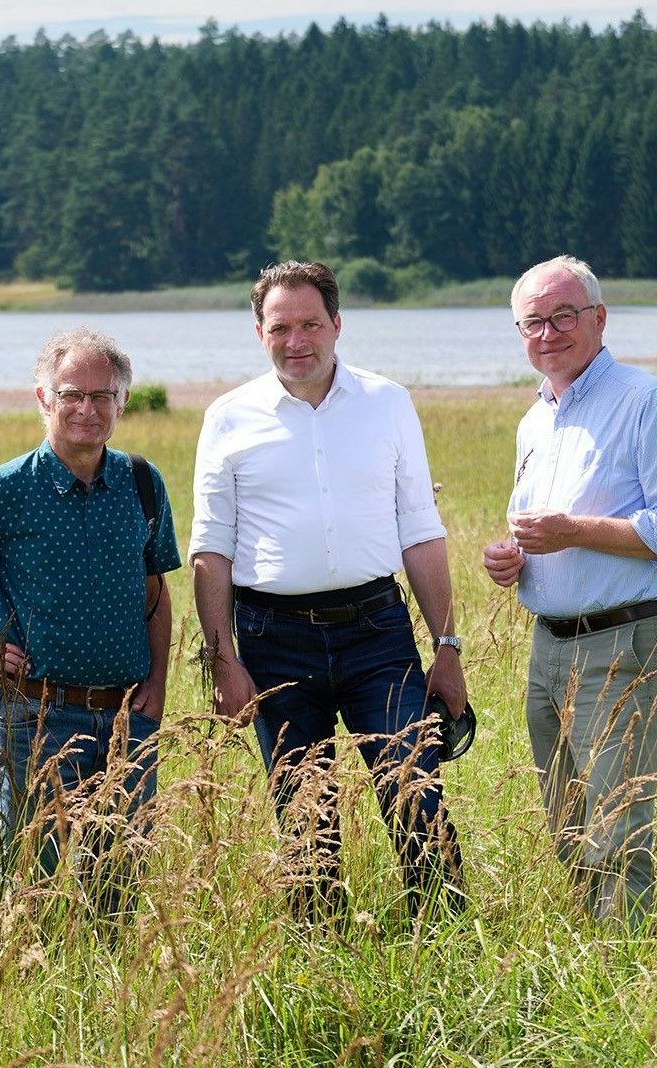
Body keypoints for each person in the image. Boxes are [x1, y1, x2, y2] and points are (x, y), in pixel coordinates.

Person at [191, 260, 467, 918]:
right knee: (304, 813)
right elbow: (211, 547)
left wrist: (447, 646)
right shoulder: (227, 417)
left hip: (376, 630)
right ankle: (320, 960)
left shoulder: (388, 402)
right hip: (272, 640)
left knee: (415, 794)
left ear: (337, 325)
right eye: (280, 327)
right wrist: (222, 661)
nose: (297, 340)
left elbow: (420, 531)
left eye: (311, 323)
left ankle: (449, 949)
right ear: (259, 333)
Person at [483, 255, 657, 927]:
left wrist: (574, 531)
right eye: (533, 322)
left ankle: (624, 972)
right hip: (549, 643)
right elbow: (539, 530)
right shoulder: (537, 418)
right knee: (567, 816)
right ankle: (595, 941)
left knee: (615, 823)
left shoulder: (646, 401)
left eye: (563, 316)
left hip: (623, 637)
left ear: (599, 318)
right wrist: (513, 559)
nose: (548, 333)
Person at [0, 327, 180, 916]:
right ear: (43, 398)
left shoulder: (143, 483)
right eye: (72, 394)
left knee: (119, 891)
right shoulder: (3, 490)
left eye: (103, 396)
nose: (87, 409)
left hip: (131, 717)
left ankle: (108, 1000)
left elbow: (155, 590)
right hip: (38, 715)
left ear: (122, 403)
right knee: (29, 885)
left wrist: (158, 684)